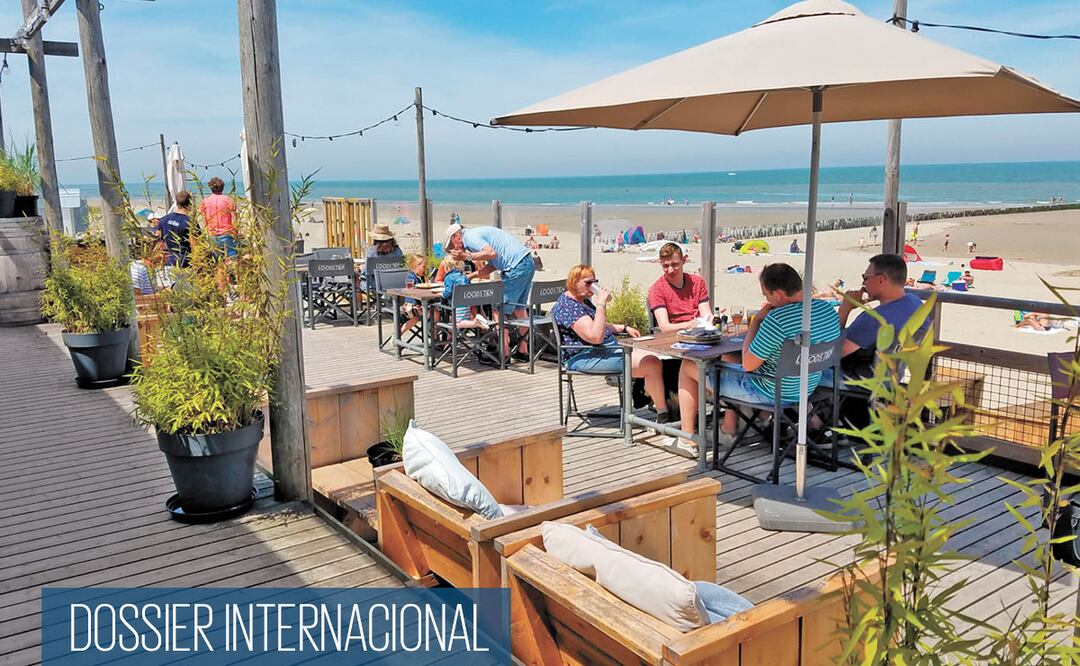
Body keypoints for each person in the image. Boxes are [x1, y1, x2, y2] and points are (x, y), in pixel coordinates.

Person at [677, 263, 840, 448]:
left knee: (688, 365)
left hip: (773, 393)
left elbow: (748, 365)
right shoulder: (826, 310)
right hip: (807, 386)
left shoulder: (777, 320)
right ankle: (739, 426)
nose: (766, 299)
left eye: (766, 295)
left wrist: (757, 322)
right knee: (731, 358)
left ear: (778, 294)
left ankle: (686, 436)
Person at [552, 265, 669, 422]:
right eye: (588, 283)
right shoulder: (568, 306)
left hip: (604, 349)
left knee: (659, 356)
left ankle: (655, 399)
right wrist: (601, 303)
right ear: (574, 282)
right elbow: (595, 337)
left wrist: (623, 327)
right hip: (585, 356)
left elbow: (597, 323)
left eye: (595, 282)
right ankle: (663, 414)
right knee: (651, 363)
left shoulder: (581, 301)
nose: (592, 286)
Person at [446, 223, 535, 357]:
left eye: (452, 245)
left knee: (498, 308)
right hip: (527, 262)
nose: (455, 248)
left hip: (515, 268)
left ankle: (503, 354)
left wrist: (466, 257)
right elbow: (494, 263)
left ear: (457, 236)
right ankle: (523, 351)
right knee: (519, 309)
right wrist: (471, 275)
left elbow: (491, 253)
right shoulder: (478, 233)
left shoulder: (469, 237)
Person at [836, 254, 929, 380]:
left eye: (865, 277)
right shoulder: (916, 304)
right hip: (892, 381)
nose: (863, 282)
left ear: (881, 280)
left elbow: (833, 354)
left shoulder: (873, 319)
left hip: (858, 384)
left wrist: (845, 308)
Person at [648, 243, 710, 332]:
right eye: (666, 266)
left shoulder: (697, 282)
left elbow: (706, 314)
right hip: (674, 335)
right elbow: (664, 327)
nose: (670, 270)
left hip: (700, 331)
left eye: (674, 264)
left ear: (684, 260)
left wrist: (714, 319)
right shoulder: (657, 289)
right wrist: (689, 325)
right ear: (660, 263)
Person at [155, 190, 192, 268]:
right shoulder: (190, 222)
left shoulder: (164, 219)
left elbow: (159, 241)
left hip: (168, 260)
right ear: (190, 204)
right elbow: (195, 244)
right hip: (184, 262)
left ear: (177, 203)